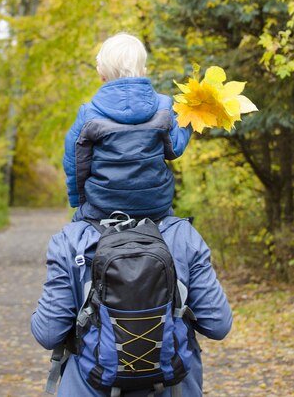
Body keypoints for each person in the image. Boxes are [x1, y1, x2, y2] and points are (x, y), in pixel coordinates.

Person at [31, 214, 233, 397]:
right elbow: (218, 325)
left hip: (87, 386)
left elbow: (48, 333)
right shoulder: (182, 234)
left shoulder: (72, 239)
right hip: (174, 388)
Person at [63, 33, 192, 222]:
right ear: (144, 70)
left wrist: (78, 200)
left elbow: (75, 162)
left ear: (101, 74)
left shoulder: (89, 115)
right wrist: (191, 120)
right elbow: (173, 149)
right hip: (156, 208)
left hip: (103, 208)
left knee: (72, 238)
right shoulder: (163, 107)